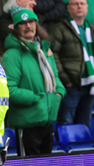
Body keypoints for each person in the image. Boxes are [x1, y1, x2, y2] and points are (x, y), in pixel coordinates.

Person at [2, 8, 65, 156]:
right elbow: (9, 89)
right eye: (23, 23)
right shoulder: (11, 55)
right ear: (16, 28)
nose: (28, 26)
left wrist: (58, 94)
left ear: (36, 25)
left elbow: (56, 78)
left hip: (47, 120)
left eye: (31, 22)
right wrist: (36, 98)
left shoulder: (45, 51)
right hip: (27, 122)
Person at [50, 0, 94, 128]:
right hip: (71, 84)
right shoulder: (59, 28)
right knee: (65, 122)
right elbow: (52, 55)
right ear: (68, 8)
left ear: (87, 8)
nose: (79, 6)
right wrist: (65, 79)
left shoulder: (92, 28)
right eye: (75, 4)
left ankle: (84, 148)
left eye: (82, 3)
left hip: (90, 83)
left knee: (85, 123)